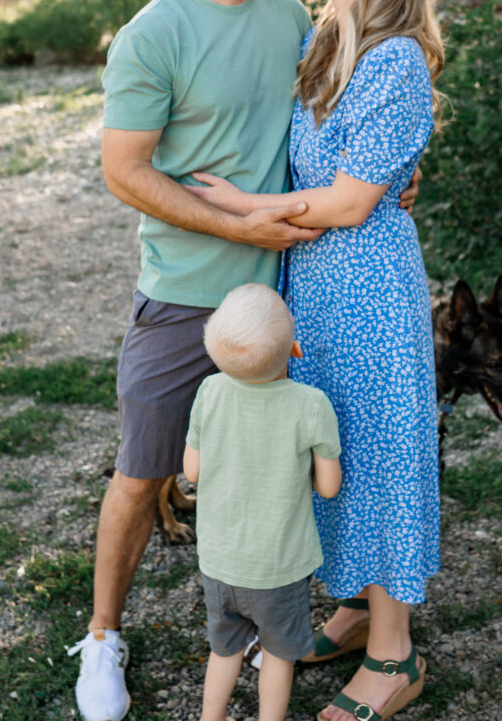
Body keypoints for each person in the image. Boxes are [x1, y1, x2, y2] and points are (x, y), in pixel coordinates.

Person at [68, 0, 419, 721]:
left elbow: (358, 140)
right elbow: (124, 171)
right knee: (144, 470)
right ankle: (103, 636)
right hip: (188, 292)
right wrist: (237, 224)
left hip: (297, 286)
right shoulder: (155, 33)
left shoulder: (289, 20)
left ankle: (365, 629)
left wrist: (392, 178)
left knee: (330, 454)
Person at [185, 0, 443, 721]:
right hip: (317, 288)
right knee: (328, 447)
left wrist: (245, 207)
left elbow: (345, 204)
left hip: (366, 286)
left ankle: (394, 654)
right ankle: (359, 604)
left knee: (374, 454)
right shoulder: (323, 37)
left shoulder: (396, 58)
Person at [183, 282, 341, 721]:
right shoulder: (311, 405)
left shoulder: (209, 393)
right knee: (277, 655)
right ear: (294, 348)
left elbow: (192, 472)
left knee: (224, 649)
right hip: (279, 567)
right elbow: (328, 487)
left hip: (219, 562)